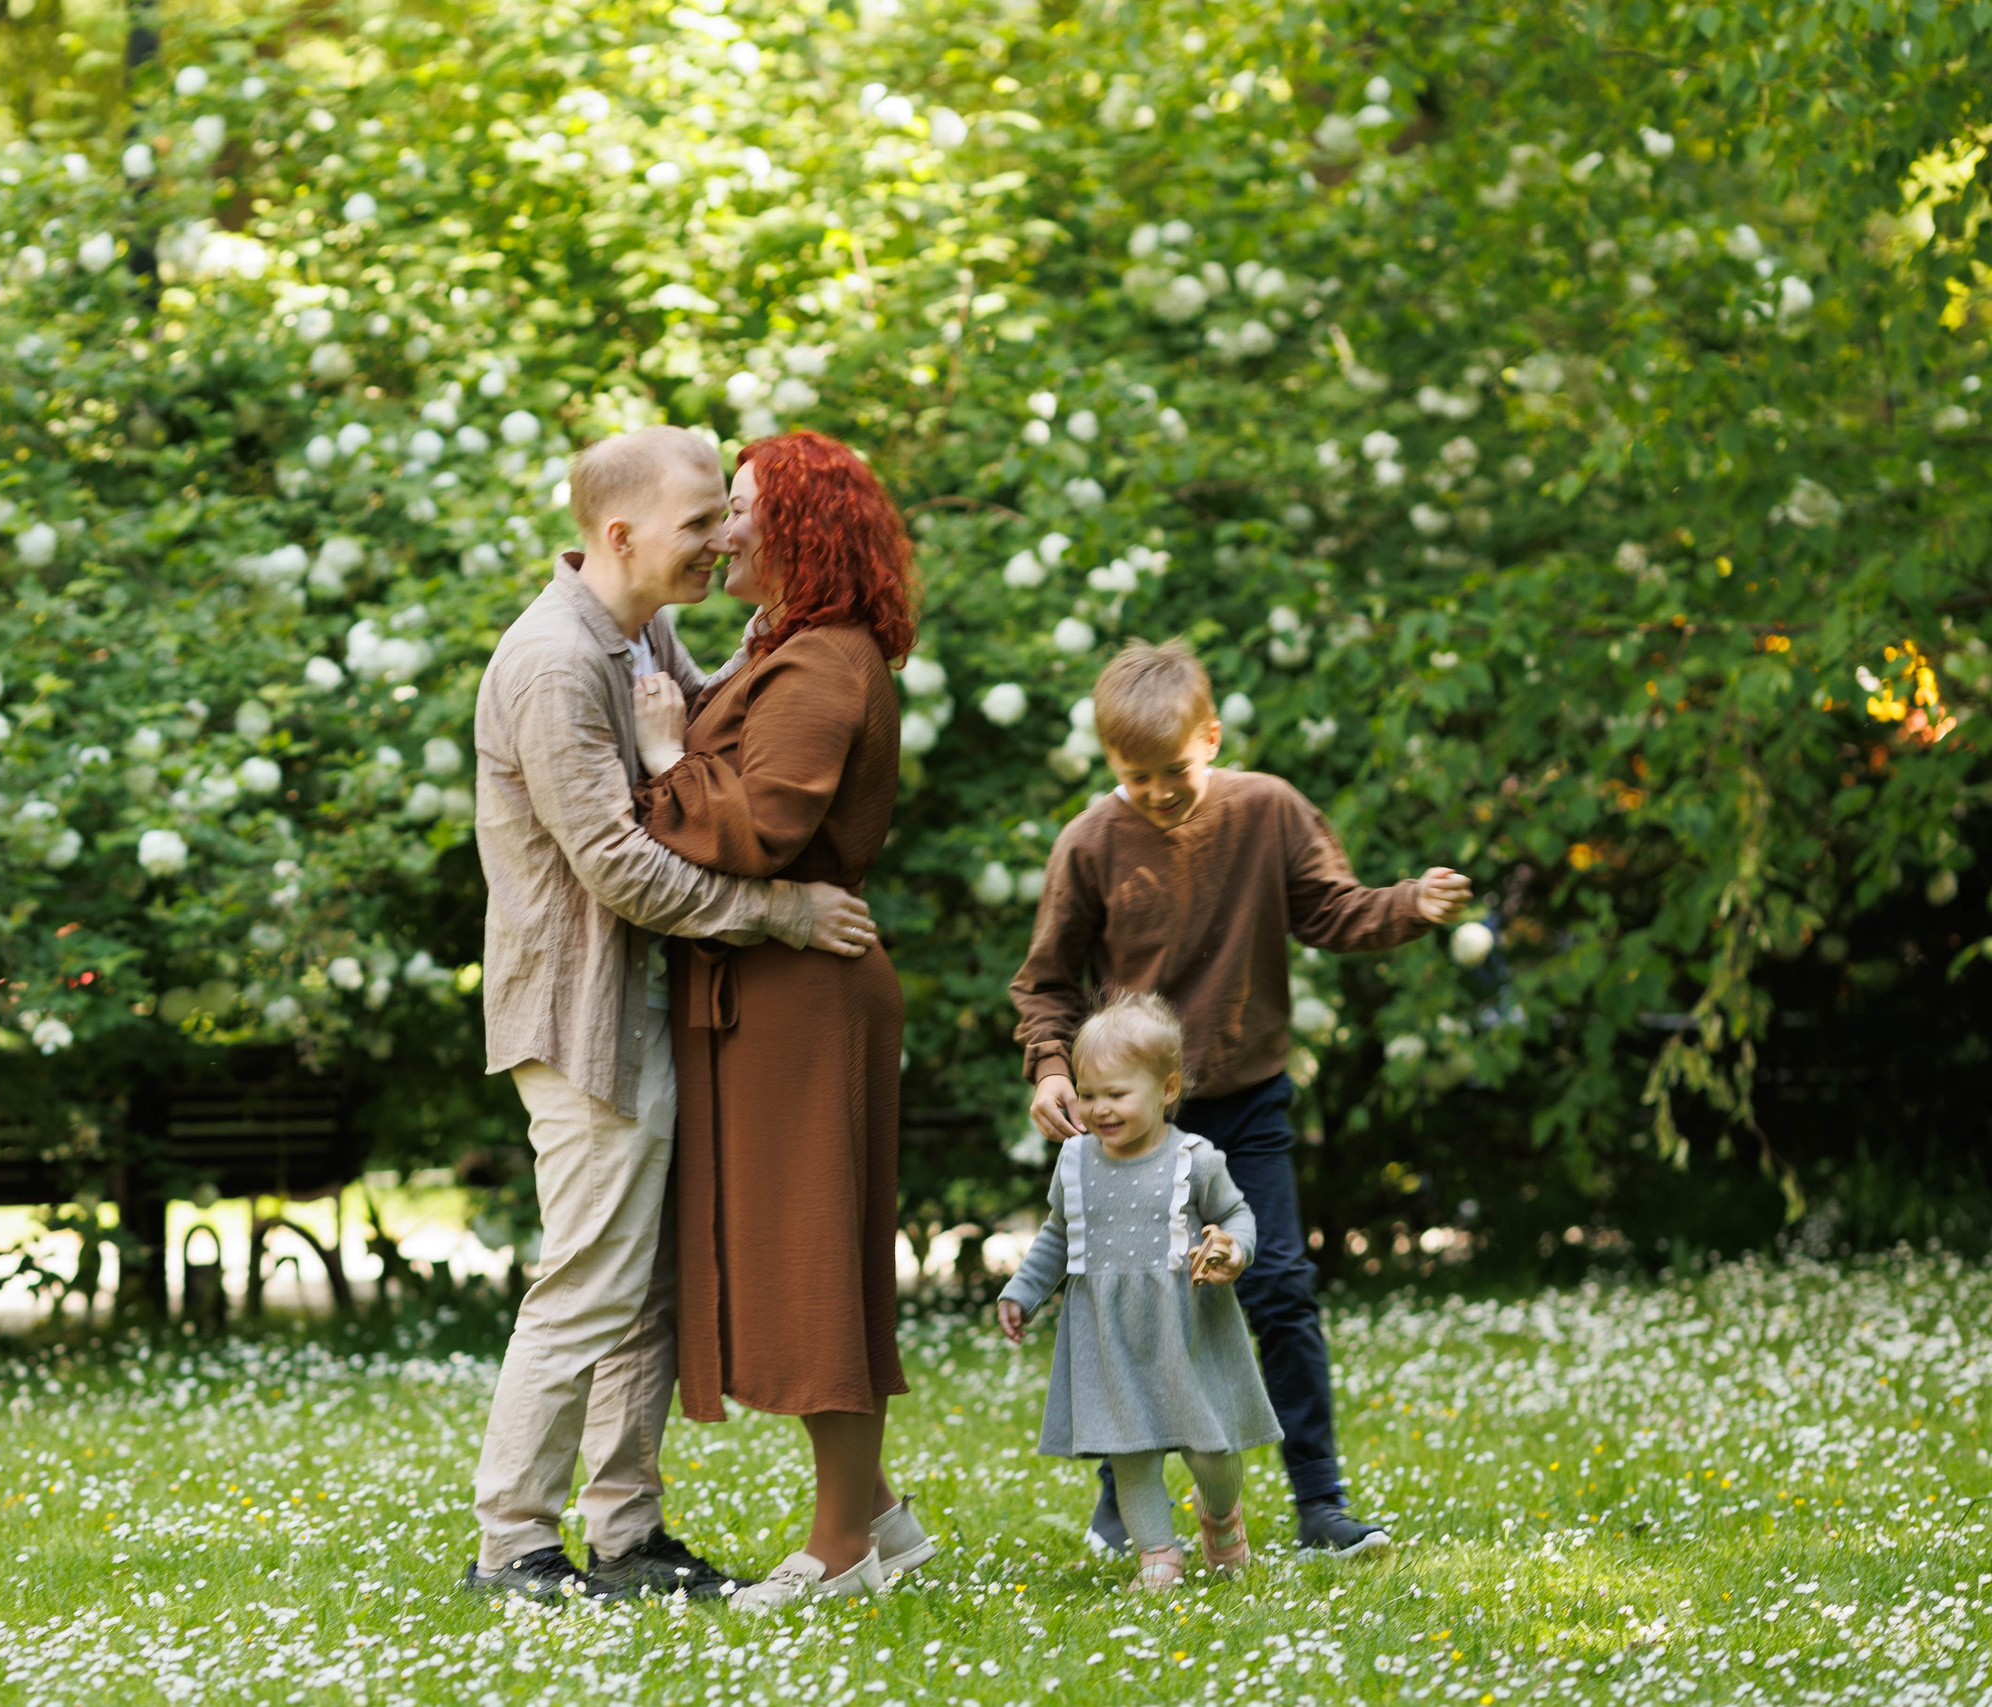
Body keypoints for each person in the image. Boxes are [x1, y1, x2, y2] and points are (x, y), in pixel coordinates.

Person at [467, 425, 879, 1601]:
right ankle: (513, 1543)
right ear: (622, 533)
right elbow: (617, 862)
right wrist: (781, 915)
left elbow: (701, 739)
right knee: (590, 1277)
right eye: (703, 522)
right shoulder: (552, 662)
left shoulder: (639, 628)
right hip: (578, 1007)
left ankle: (627, 1534)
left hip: (645, 994)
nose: (722, 537)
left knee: (644, 1284)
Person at [1009, 637, 1472, 1558]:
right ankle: (1122, 1500)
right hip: (1129, 1122)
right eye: (1135, 778)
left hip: (1246, 1098)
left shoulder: (1268, 811)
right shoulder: (1090, 844)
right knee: (1121, 1299)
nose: (1157, 792)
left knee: (1279, 1287)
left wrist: (1409, 904)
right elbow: (1046, 983)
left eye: (1173, 770)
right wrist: (1054, 1069)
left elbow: (1332, 909)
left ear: (1211, 738)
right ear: (1110, 766)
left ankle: (1321, 1504)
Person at [628, 430, 932, 1612]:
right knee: (792, 1257)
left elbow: (763, 828)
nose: (724, 527)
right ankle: (879, 1518)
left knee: (813, 1267)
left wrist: (665, 760)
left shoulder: (823, 663)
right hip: (764, 988)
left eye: (744, 508)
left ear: (804, 528)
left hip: (804, 997)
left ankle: (840, 1552)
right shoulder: (781, 643)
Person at [997, 992, 1281, 1594]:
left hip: (1188, 1330)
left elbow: (1238, 1216)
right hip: (1109, 1335)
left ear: (1167, 1089)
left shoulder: (1194, 1160)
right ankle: (1157, 1552)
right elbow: (1057, 1236)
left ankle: (1221, 1515)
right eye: (1089, 1093)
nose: (1099, 1109)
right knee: (1130, 1453)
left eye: (1116, 1094)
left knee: (1211, 1450)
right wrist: (1023, 1291)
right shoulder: (1075, 1162)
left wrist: (1232, 1249)